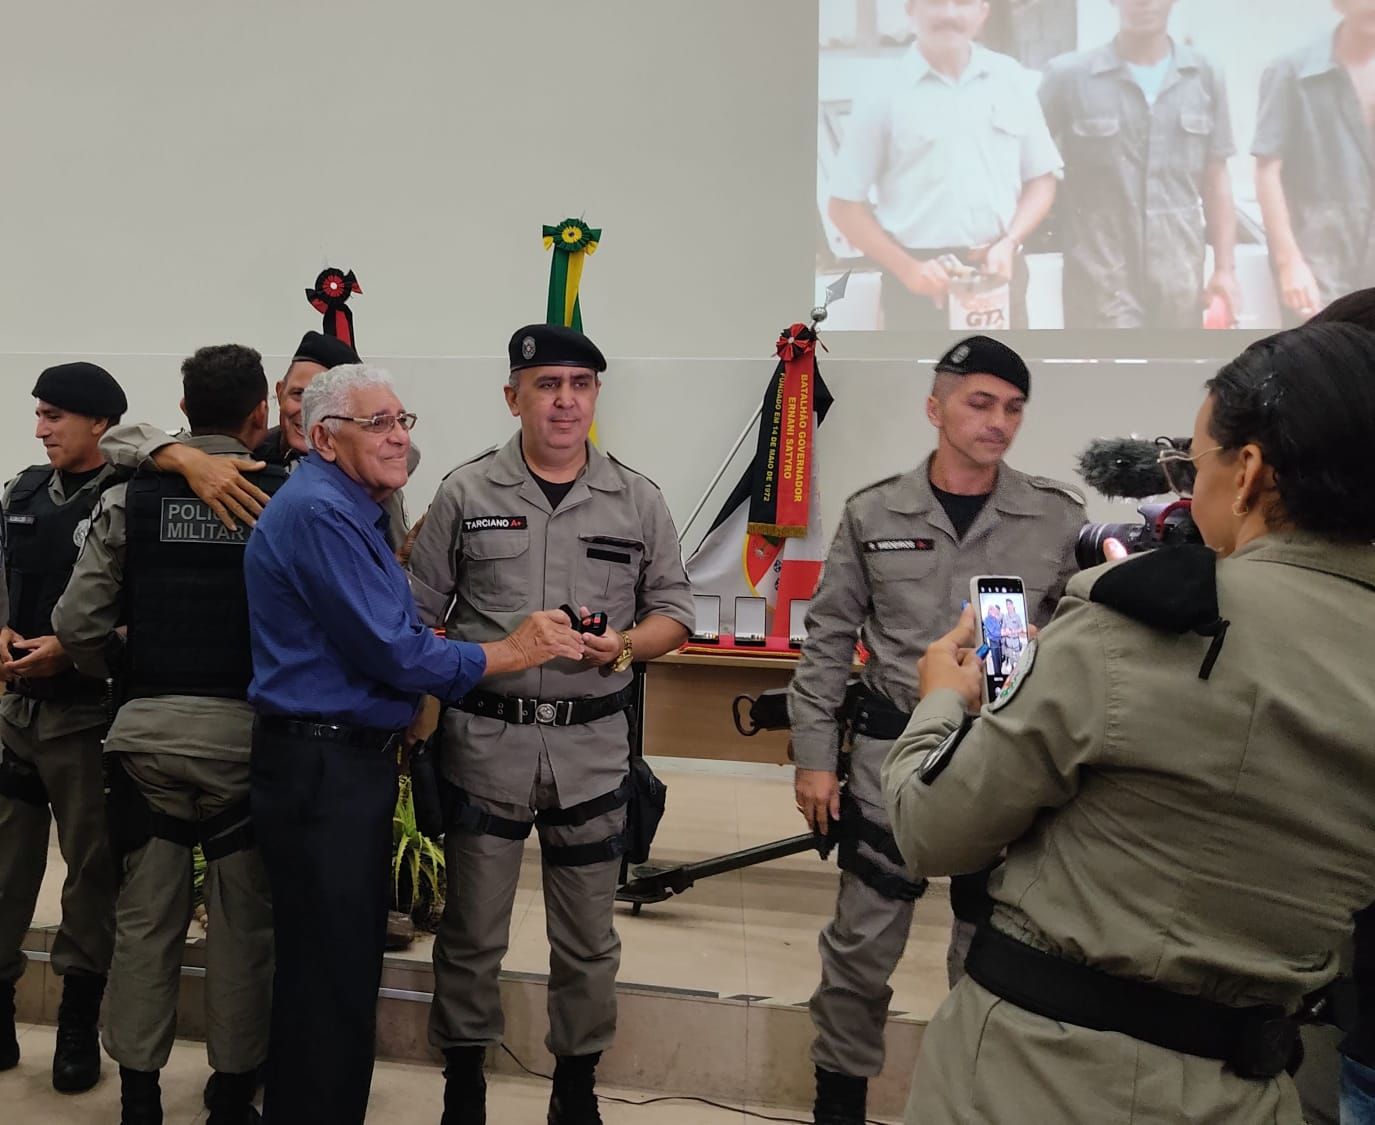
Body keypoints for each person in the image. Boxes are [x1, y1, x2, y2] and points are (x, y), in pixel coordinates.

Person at [882, 320, 1375, 1124]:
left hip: (1043, 1076)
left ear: (1247, 472)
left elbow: (935, 829)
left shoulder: (1141, 623)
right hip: (1255, 1085)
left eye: (1192, 461)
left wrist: (943, 698)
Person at [244, 364, 582, 1125]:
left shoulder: (354, 507)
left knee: (336, 969)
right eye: (380, 423)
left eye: (405, 419)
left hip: (339, 764)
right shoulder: (320, 514)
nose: (401, 436)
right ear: (325, 438)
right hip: (320, 767)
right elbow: (396, 652)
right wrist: (512, 650)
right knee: (329, 977)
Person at [787, 335, 1084, 1124]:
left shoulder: (1055, 519)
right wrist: (812, 759)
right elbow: (824, 643)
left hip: (1004, 764)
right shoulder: (874, 511)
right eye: (978, 402)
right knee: (858, 953)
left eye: (1012, 407)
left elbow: (1082, 648)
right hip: (890, 768)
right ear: (935, 407)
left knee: (988, 959)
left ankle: (974, 1104)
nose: (997, 421)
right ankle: (837, 1107)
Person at [405, 323, 694, 1125]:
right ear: (513, 396)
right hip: (484, 747)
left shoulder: (637, 497)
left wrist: (626, 644)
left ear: (596, 396)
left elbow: (675, 611)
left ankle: (575, 1086)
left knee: (588, 940)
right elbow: (419, 619)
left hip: (592, 751)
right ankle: (463, 1083)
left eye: (579, 384)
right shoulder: (465, 493)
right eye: (546, 384)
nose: (564, 399)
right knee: (471, 936)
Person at [52, 345, 284, 1125]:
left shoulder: (132, 495)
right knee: (243, 926)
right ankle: (228, 1094)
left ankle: (141, 1098)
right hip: (246, 742)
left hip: (144, 738)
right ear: (262, 415)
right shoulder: (286, 498)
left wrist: (116, 664)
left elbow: (76, 622)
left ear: (182, 414)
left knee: (144, 922)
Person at [0, 362, 127, 1094]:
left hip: (87, 717)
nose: (42, 427)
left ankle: (78, 1020)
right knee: (6, 869)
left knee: (90, 878)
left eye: (56, 415)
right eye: (40, 414)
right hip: (19, 715)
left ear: (99, 422)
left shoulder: (128, 495)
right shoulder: (21, 490)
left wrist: (73, 649)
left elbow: (145, 607)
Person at [826, 0, 1061, 331]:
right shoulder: (882, 90)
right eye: (936, 2)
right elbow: (843, 206)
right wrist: (907, 269)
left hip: (1000, 272)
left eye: (963, 3)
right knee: (919, 383)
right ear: (911, 9)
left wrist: (1010, 242)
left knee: (1004, 380)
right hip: (919, 284)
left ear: (983, 11)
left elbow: (1042, 179)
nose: (949, 14)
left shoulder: (1011, 78)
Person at [100, 331, 420, 547]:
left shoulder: (367, 473)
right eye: (299, 395)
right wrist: (186, 459)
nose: (308, 412)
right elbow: (116, 441)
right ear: (277, 394)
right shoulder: (254, 446)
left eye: (324, 405)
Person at [1039, 0, 1240, 329]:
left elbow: (1216, 180)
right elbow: (1029, 167)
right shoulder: (1068, 77)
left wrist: (1224, 270)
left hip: (1180, 282)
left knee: (1175, 378)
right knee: (1106, 379)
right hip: (1100, 279)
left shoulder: (1204, 74)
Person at [1254, 1, 1375, 323]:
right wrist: (1288, 263)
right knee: (1318, 368)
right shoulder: (1291, 72)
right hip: (1318, 266)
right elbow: (1268, 170)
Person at [1001, 597, 1024, 672]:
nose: (1008, 606)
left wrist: (1014, 631)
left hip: (1015, 640)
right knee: (1010, 656)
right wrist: (1005, 631)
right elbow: (1002, 628)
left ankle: (1019, 671)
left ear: (1012, 605)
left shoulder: (1017, 616)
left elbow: (1021, 628)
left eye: (1009, 604)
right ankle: (1012, 668)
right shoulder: (1005, 617)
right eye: (1007, 604)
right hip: (1008, 640)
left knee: (1017, 657)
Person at [981, 602, 1003, 675]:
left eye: (994, 610)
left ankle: (1000, 674)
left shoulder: (995, 619)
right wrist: (1002, 633)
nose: (994, 612)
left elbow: (999, 629)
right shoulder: (987, 619)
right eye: (992, 610)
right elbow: (993, 632)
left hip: (999, 642)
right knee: (996, 663)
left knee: (1000, 662)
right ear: (989, 611)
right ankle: (997, 675)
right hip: (993, 643)